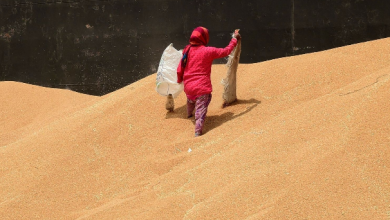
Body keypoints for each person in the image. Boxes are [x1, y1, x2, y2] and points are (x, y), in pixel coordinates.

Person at [177, 26, 241, 137]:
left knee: (191, 99)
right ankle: (198, 131)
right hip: (201, 88)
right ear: (204, 38)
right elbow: (226, 51)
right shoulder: (208, 51)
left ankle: (189, 113)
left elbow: (180, 67)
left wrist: (179, 79)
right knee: (202, 107)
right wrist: (234, 39)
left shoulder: (187, 50)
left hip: (188, 88)